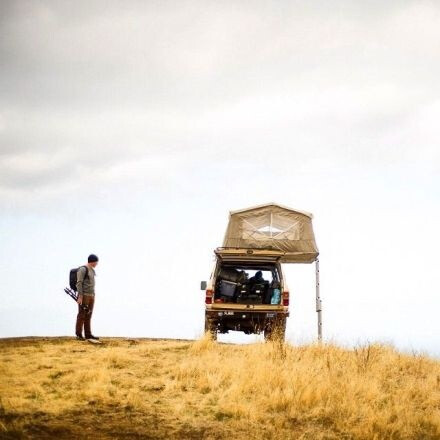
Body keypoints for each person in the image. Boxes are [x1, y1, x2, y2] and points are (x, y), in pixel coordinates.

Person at [75, 254, 99, 341]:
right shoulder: (83, 269)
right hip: (84, 295)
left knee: (88, 314)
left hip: (91, 295)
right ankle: (79, 334)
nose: (97, 264)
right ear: (92, 261)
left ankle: (88, 334)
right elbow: (79, 283)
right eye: (96, 262)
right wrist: (80, 296)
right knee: (82, 315)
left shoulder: (92, 270)